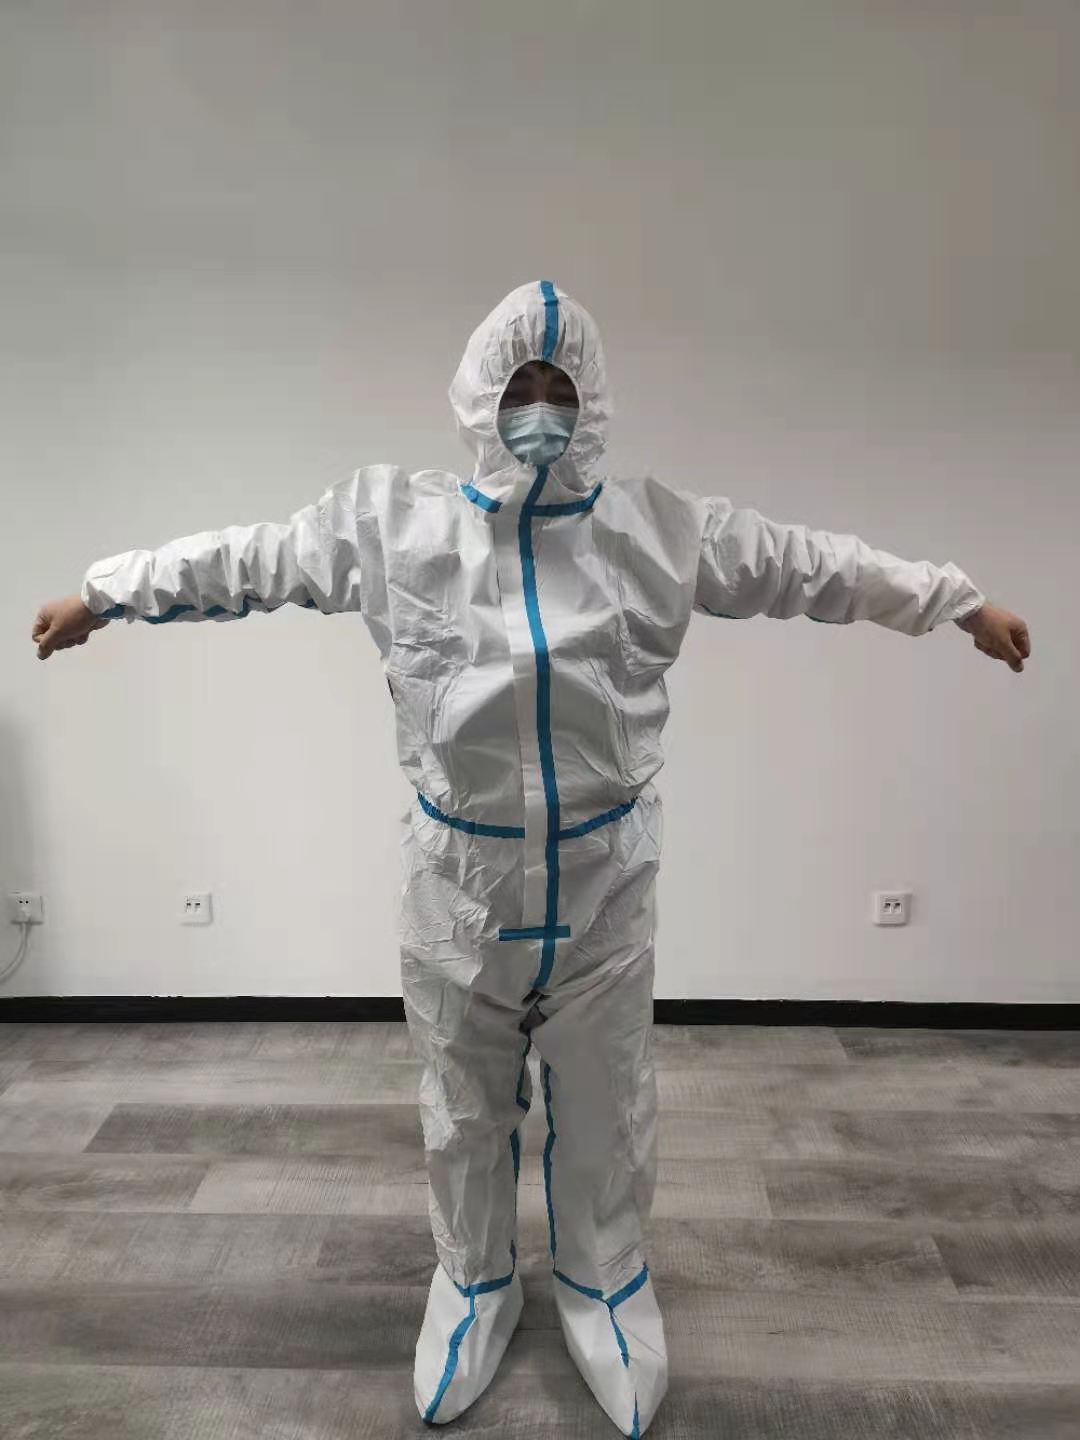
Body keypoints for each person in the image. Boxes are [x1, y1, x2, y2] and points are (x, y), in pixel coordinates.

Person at [32, 281, 1030, 1438]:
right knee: (463, 1107)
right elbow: (246, 560)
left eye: (561, 389)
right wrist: (104, 594)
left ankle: (606, 1281)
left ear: (592, 402)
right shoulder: (389, 525)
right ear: (480, 396)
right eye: (522, 387)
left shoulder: (660, 532)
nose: (541, 411)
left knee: (607, 1106)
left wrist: (954, 601)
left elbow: (811, 566)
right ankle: (474, 1280)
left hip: (606, 883)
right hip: (458, 885)